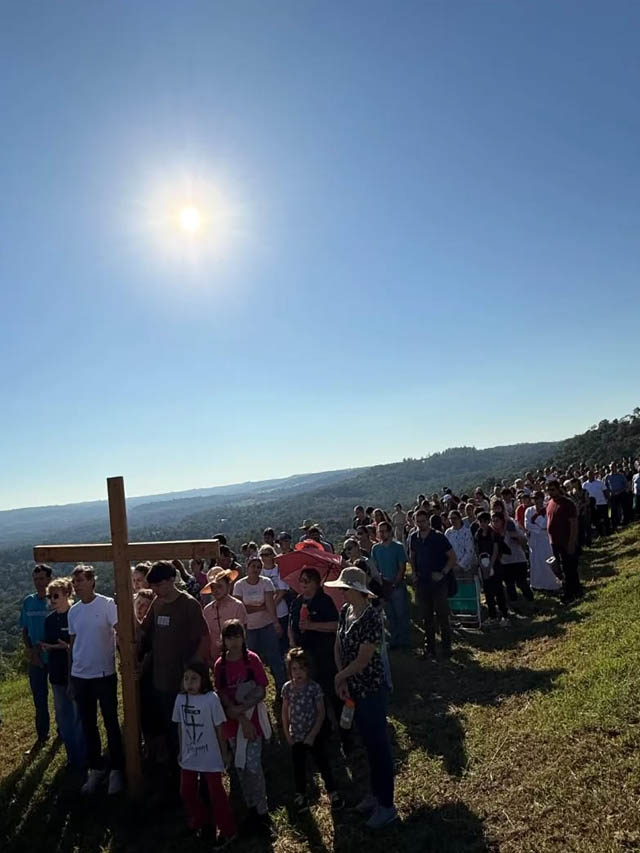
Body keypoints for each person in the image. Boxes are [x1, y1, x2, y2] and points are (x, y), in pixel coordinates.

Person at [327, 567, 397, 830]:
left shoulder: (372, 618)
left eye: (345, 589)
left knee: (379, 746)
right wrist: (343, 679)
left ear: (357, 590)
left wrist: (339, 677)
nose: (342, 593)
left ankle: (387, 805)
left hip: (371, 688)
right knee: (368, 744)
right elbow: (338, 644)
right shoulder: (346, 611)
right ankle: (375, 794)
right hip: (354, 687)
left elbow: (363, 659)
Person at [139, 560, 210, 759]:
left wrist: (192, 673)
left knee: (189, 729)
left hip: (184, 682)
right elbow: (144, 630)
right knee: (170, 728)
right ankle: (174, 768)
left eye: (159, 585)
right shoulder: (157, 603)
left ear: (172, 580)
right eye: (152, 586)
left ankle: (195, 766)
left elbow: (204, 639)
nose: (155, 589)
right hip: (161, 680)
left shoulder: (189, 604)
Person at [68, 565, 124, 794]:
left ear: (92, 581)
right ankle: (96, 768)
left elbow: (121, 632)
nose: (76, 585)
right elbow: (73, 645)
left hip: (104, 674)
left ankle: (117, 770)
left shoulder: (107, 604)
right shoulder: (74, 611)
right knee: (88, 724)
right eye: (74, 581)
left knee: (111, 722)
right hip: (80, 675)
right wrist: (71, 678)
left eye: (80, 580)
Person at [214, 620, 271, 835]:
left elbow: (262, 689)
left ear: (243, 637)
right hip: (232, 724)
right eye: (229, 637)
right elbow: (221, 692)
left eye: (237, 636)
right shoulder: (220, 665)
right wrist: (236, 713)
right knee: (241, 767)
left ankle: (263, 810)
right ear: (223, 640)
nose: (234, 642)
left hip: (253, 721)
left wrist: (243, 712)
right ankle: (251, 808)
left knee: (253, 766)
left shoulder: (252, 659)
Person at [172, 660, 236, 848]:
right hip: (189, 755)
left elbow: (219, 728)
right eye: (186, 679)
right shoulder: (180, 699)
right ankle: (200, 819)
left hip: (210, 755)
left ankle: (228, 830)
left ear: (203, 680)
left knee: (217, 794)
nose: (189, 683)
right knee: (186, 790)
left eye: (194, 679)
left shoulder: (211, 699)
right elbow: (180, 726)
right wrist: (181, 750)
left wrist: (224, 753)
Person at [281, 647, 344, 814]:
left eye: (301, 668)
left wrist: (313, 734)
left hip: (314, 735)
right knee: (299, 768)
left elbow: (321, 712)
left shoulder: (314, 688)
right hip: (296, 735)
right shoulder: (287, 688)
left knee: (323, 763)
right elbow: (284, 713)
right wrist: (287, 734)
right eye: (294, 669)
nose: (298, 673)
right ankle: (301, 795)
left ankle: (333, 792)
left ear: (308, 669)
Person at [41, 577, 86, 770]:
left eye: (56, 596)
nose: (52, 600)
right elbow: (52, 643)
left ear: (67, 594)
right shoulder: (49, 620)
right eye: (50, 596)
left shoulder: (76, 615)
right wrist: (52, 647)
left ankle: (84, 756)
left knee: (78, 716)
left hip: (76, 673)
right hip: (57, 673)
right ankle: (72, 757)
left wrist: (66, 647)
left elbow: (80, 644)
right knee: (63, 717)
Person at [232, 556, 286, 693]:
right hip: (248, 628)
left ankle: (281, 689)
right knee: (250, 660)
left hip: (266, 625)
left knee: (274, 658)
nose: (255, 569)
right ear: (247, 567)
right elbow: (241, 608)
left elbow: (270, 605)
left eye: (258, 567)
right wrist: (260, 607)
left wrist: (276, 623)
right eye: (253, 566)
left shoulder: (266, 582)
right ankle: (252, 690)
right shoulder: (239, 585)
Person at [408, 509, 456, 658]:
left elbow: (452, 557)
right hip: (422, 581)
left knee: (442, 615)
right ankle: (430, 648)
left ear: (428, 521)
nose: (420, 524)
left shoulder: (438, 537)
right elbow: (412, 556)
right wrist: (414, 573)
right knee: (426, 616)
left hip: (438, 582)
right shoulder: (413, 537)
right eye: (418, 521)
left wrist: (443, 572)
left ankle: (446, 647)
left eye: (423, 521)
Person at [20, 563, 52, 750]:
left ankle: (64, 733)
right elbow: (24, 629)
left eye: (42, 578)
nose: (38, 582)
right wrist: (31, 651)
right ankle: (42, 735)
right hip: (36, 659)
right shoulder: (28, 601)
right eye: (36, 579)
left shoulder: (55, 599)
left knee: (61, 698)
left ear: (49, 579)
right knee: (39, 699)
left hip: (54, 657)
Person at [370, 521, 410, 648]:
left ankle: (404, 640)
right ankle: (394, 640)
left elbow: (402, 567)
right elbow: (375, 568)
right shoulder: (375, 548)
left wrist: (395, 582)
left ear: (390, 532)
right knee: (390, 615)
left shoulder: (398, 547)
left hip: (397, 585)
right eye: (379, 531)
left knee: (401, 613)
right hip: (383, 586)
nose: (382, 534)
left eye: (384, 531)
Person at [201, 567, 247, 665]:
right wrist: (208, 658)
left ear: (228, 586)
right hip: (214, 659)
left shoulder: (237, 606)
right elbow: (205, 636)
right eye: (213, 587)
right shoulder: (207, 610)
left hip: (236, 657)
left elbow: (243, 634)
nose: (216, 590)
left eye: (219, 586)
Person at [546, 480, 581, 604]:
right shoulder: (550, 503)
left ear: (558, 489)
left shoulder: (567, 503)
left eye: (553, 489)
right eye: (548, 490)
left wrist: (572, 542)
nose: (550, 492)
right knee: (562, 568)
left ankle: (569, 594)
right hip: (555, 542)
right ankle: (576, 590)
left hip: (566, 541)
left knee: (568, 568)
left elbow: (574, 523)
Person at [474, 512, 510, 623]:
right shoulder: (478, 534)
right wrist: (482, 566)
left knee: (499, 590)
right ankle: (492, 616)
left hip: (495, 565)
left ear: (488, 521)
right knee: (488, 592)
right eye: (481, 521)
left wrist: (490, 565)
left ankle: (504, 615)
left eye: (485, 521)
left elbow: (495, 550)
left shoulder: (494, 534)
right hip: (483, 565)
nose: (483, 524)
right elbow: (477, 550)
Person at [491, 511, 534, 603]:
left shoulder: (511, 529)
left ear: (502, 521)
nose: (495, 523)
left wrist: (516, 536)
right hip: (505, 562)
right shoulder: (494, 534)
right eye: (493, 521)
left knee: (521, 583)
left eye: (497, 521)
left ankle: (530, 600)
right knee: (509, 584)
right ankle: (515, 603)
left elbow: (524, 541)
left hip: (518, 560)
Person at [524, 492, 561, 592]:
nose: (536, 500)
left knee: (547, 560)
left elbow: (547, 523)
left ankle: (551, 584)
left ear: (542, 498)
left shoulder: (547, 509)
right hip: (534, 539)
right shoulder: (529, 510)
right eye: (534, 498)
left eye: (538, 498)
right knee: (535, 562)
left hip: (545, 539)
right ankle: (536, 584)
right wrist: (539, 529)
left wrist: (540, 525)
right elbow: (527, 524)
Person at [258, 544, 290, 654]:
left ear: (273, 555)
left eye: (266, 554)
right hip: (264, 613)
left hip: (280, 612)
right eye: (262, 555)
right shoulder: (259, 572)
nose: (264, 557)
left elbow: (282, 591)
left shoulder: (279, 570)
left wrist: (270, 606)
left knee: (283, 643)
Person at [444, 510, 476, 577]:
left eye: (454, 518)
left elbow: (470, 551)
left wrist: (460, 565)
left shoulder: (467, 532)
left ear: (460, 518)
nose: (452, 520)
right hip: (451, 567)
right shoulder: (448, 532)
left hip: (465, 568)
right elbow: (445, 549)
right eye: (450, 518)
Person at [582, 470, 610, 537]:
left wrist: (608, 500)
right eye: (589, 475)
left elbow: (605, 491)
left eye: (592, 474)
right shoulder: (585, 485)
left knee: (605, 519)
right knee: (596, 520)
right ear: (587, 476)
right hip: (592, 505)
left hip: (602, 503)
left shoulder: (600, 482)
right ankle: (600, 533)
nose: (591, 476)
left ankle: (608, 532)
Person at [605, 462, 629, 530]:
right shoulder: (607, 477)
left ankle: (625, 522)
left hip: (621, 494)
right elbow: (606, 486)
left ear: (616, 467)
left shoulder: (621, 475)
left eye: (613, 467)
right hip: (613, 495)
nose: (612, 468)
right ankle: (614, 523)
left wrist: (620, 491)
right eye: (611, 467)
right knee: (613, 510)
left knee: (623, 508)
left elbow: (626, 485)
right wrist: (609, 493)